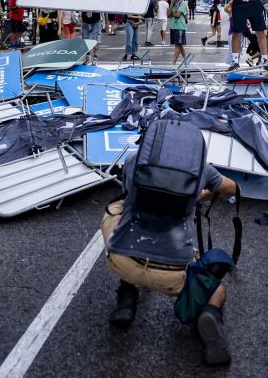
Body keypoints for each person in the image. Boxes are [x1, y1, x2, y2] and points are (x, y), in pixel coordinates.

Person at [101, 121, 240, 366]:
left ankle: (127, 295)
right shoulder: (201, 170)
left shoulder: (134, 161)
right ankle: (209, 316)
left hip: (123, 260)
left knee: (118, 208)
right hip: (173, 274)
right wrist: (201, 194)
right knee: (217, 291)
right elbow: (232, 189)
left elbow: (130, 193)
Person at [168, 0, 189, 65]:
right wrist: (171, 4)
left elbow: (177, 15)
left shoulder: (182, 3)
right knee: (178, 44)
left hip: (180, 26)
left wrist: (172, 14)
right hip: (173, 26)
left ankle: (173, 62)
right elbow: (168, 14)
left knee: (178, 44)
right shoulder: (173, 4)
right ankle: (186, 60)